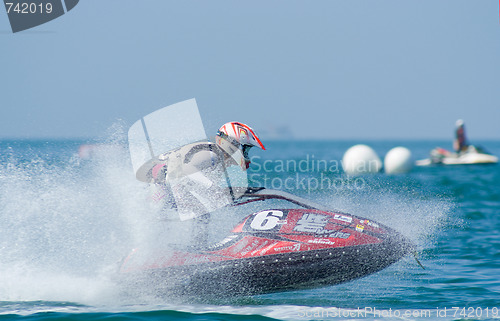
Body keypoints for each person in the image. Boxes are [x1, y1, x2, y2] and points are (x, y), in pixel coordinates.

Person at [149, 121, 265, 244]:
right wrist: (212, 188)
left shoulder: (217, 157)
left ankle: (193, 250)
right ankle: (191, 251)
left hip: (167, 183)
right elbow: (187, 170)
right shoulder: (212, 154)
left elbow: (193, 183)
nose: (246, 155)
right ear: (234, 145)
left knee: (201, 215)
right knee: (198, 215)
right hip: (160, 184)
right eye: (245, 149)